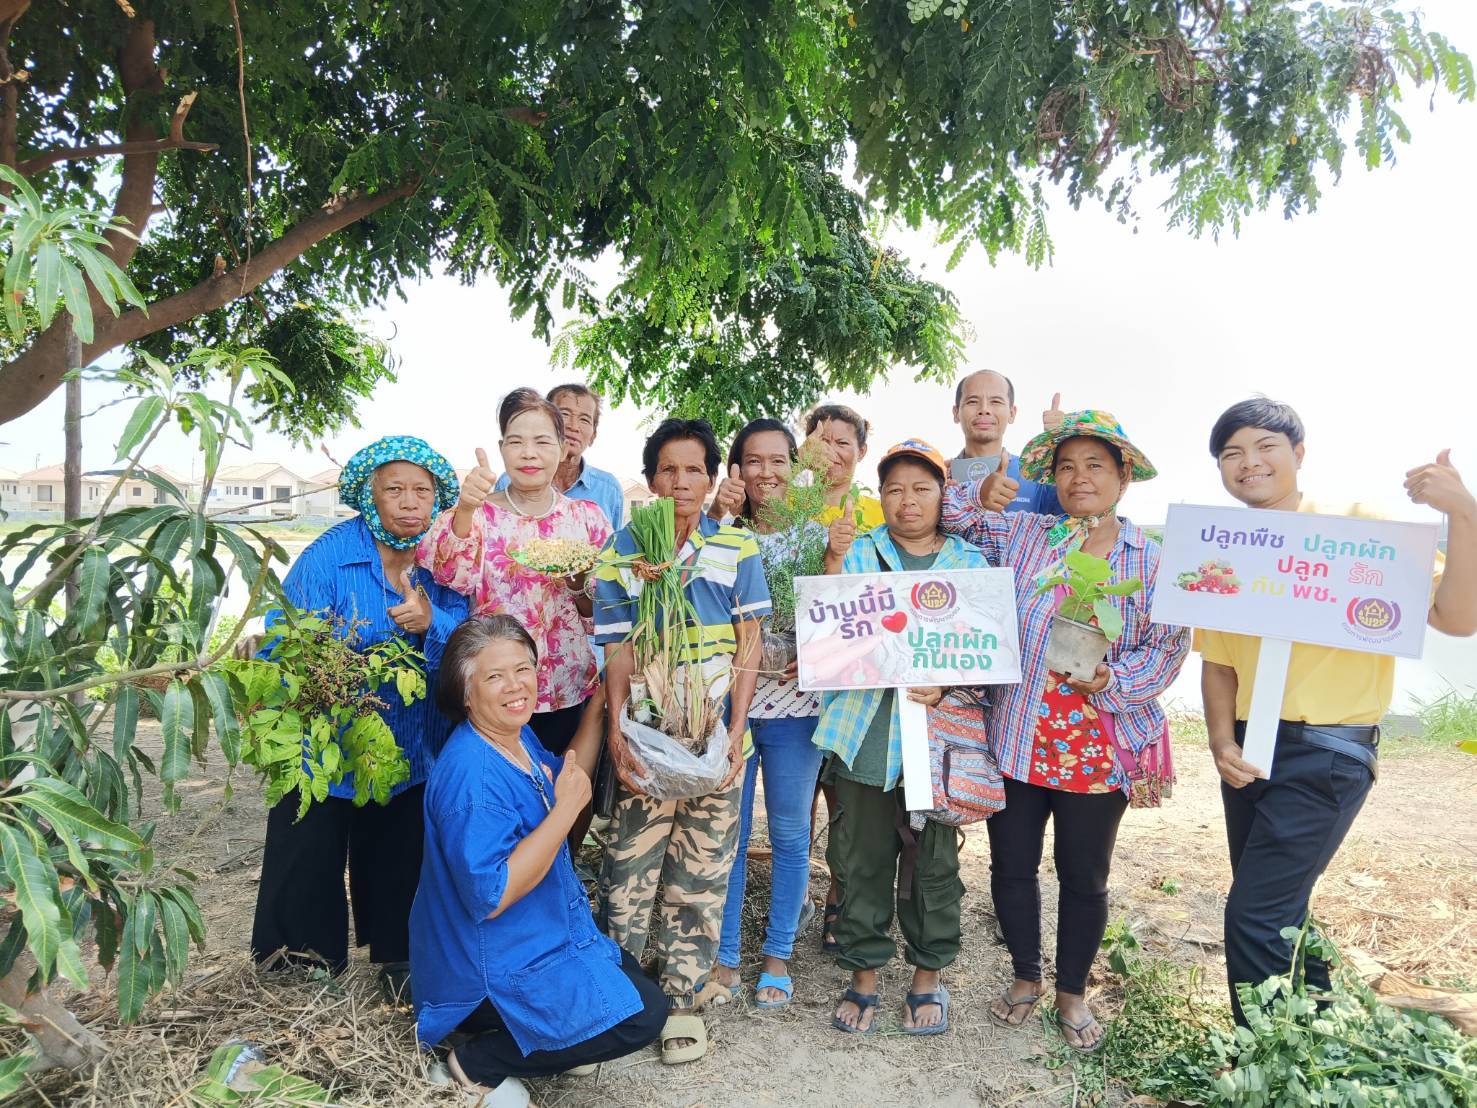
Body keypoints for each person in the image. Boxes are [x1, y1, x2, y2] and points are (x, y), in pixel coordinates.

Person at [1198, 398, 1476, 1026]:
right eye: (1231, 454)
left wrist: (1463, 512)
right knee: (1277, 902)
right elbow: (1218, 663)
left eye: (1265, 446)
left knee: (1253, 914)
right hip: (1247, 748)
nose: (1249, 463)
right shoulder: (1226, 550)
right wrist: (1219, 742)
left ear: (1299, 453)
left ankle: (1264, 1058)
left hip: (1329, 751)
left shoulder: (1359, 530)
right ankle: (1319, 1028)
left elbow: (1458, 619)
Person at [940, 410, 1188, 1052]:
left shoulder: (1153, 562)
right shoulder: (1030, 536)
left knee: (1085, 876)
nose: (1080, 478)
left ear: (1123, 476)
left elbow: (1168, 648)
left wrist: (1113, 680)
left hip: (1097, 750)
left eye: (1096, 465)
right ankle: (1025, 976)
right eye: (1067, 467)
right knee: (1012, 867)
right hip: (1018, 738)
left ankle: (1072, 990)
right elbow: (955, 519)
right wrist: (980, 487)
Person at [410, 615, 666, 1108]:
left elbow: (564, 774)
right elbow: (492, 894)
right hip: (483, 969)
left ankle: (541, 1037)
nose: (515, 686)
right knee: (643, 1015)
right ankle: (478, 1061)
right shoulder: (474, 781)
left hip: (529, 937)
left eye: (524, 669)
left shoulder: (512, 738)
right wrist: (568, 811)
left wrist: (599, 709)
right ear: (465, 692)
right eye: (495, 677)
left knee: (628, 977)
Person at [250, 436, 468, 1005]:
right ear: (368, 496)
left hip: (411, 742)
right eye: (393, 489)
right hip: (325, 738)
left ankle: (399, 957)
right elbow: (284, 637)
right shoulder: (328, 554)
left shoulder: (444, 562)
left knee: (401, 851)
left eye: (422, 491)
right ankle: (301, 963)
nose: (408, 502)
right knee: (311, 841)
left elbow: (472, 640)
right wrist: (327, 668)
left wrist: (432, 623)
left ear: (438, 499)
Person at [593, 417, 771, 1064]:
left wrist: (735, 729)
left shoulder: (736, 548)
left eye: (693, 469)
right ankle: (619, 1001)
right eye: (667, 469)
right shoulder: (624, 551)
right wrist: (615, 730)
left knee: (701, 874)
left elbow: (749, 642)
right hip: (647, 737)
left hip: (715, 742)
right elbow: (614, 646)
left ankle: (683, 1002)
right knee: (627, 872)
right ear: (649, 480)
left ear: (711, 477)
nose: (680, 481)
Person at [816, 438, 988, 1037]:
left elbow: (984, 652)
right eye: (894, 489)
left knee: (934, 865)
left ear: (943, 496)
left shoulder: (968, 564)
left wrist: (948, 685)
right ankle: (863, 977)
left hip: (938, 747)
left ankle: (926, 978)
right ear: (880, 497)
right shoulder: (860, 551)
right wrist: (833, 564)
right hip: (864, 736)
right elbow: (828, 631)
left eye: (922, 488)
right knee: (860, 860)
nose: (907, 501)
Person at [419, 389, 611, 762]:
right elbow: (447, 573)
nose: (528, 453)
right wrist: (465, 508)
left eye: (542, 441)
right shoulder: (479, 515)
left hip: (566, 687)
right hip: (496, 688)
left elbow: (603, 613)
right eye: (516, 442)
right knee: (502, 794)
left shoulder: (586, 519)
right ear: (501, 447)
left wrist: (578, 585)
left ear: (561, 446)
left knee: (565, 793)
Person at [711, 419, 827, 1009]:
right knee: (727, 836)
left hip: (796, 709)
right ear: (736, 470)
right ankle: (726, 955)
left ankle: (778, 955)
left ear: (794, 468)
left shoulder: (816, 537)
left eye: (777, 460)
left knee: (788, 833)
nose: (766, 473)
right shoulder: (721, 535)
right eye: (752, 461)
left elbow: (836, 619)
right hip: (732, 707)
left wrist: (802, 653)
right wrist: (714, 514)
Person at [800, 401, 884, 947]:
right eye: (820, 439)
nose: (832, 451)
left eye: (843, 442)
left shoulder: (877, 512)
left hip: (853, 674)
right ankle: (796, 894)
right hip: (791, 672)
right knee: (799, 794)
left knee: (842, 795)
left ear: (860, 453)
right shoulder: (788, 504)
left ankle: (839, 894)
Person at [494, 382, 626, 530]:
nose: (573, 426)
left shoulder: (608, 489)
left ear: (593, 435)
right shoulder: (508, 481)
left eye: (584, 419)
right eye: (564, 414)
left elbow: (612, 549)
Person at [948, 369, 1062, 515]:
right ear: (956, 412)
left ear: (1012, 413)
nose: (984, 409)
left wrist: (1063, 443)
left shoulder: (1036, 476)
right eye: (972, 401)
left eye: (995, 401)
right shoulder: (942, 477)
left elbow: (1079, 519)